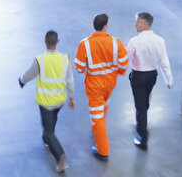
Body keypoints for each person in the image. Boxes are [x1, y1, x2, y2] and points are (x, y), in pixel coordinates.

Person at [18, 30, 75, 172]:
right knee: (51, 123)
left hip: (46, 102)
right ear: (58, 42)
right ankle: (46, 139)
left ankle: (61, 157)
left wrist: (22, 81)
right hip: (60, 100)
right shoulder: (65, 58)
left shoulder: (40, 59)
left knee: (49, 131)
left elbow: (29, 74)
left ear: (45, 41)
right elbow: (70, 81)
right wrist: (72, 97)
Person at [74, 13, 128, 161]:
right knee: (105, 106)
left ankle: (103, 151)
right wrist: (117, 71)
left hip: (94, 87)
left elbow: (79, 68)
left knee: (97, 117)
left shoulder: (84, 44)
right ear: (105, 26)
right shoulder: (116, 43)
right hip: (109, 84)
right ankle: (98, 128)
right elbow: (123, 64)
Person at [126, 12, 174, 150]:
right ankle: (141, 122)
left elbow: (124, 58)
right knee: (145, 101)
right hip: (152, 76)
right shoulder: (160, 40)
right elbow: (164, 61)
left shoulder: (134, 41)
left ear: (144, 24)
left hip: (138, 76)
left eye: (137, 21)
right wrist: (169, 80)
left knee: (140, 106)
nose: (134, 24)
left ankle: (143, 139)